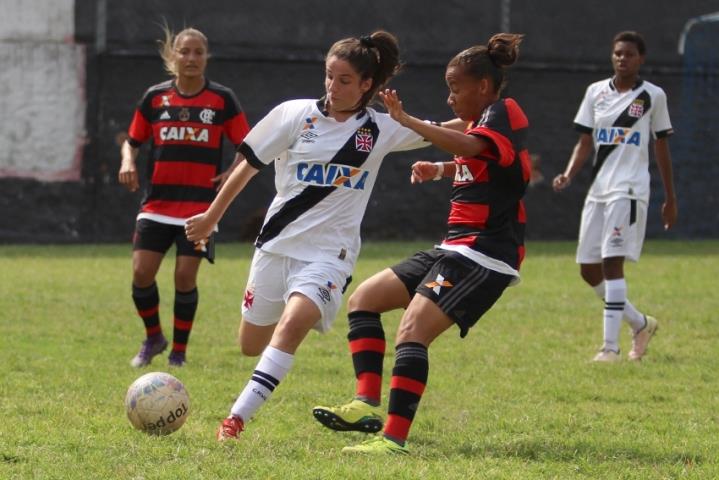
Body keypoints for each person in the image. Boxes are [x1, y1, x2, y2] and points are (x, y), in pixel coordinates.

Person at [184, 30, 435, 441]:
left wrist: (489, 114)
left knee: (292, 327)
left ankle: (235, 420)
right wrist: (212, 217)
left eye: (344, 80)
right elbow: (246, 165)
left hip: (328, 257)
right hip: (276, 248)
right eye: (329, 76)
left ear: (367, 84)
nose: (332, 87)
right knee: (250, 344)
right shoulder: (294, 115)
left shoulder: (381, 129)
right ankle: (275, 333)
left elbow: (447, 129)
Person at [312, 33, 529, 455]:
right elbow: (479, 163)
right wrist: (440, 170)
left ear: (483, 86)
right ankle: (364, 404)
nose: (449, 98)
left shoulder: (504, 111)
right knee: (365, 300)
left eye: (455, 88)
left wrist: (409, 121)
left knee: (412, 331)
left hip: (484, 254)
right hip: (455, 246)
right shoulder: (482, 121)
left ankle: (393, 439)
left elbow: (473, 146)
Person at [119, 26, 250, 368]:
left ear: (206, 58)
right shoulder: (155, 98)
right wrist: (127, 160)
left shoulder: (222, 99)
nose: (191, 58)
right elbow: (132, 141)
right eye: (185, 51)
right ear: (173, 55)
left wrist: (233, 170)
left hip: (199, 208)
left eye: (198, 52)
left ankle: (178, 351)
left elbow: (248, 146)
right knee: (141, 272)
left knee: (184, 277)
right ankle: (153, 338)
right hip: (157, 205)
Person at [552, 31, 677, 363]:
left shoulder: (652, 96)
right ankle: (640, 323)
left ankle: (610, 348)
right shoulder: (595, 92)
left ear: (641, 59)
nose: (623, 58)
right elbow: (585, 143)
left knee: (611, 264)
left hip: (630, 190)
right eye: (618, 53)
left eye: (630, 54)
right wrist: (569, 174)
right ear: (612, 56)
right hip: (599, 190)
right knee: (587, 269)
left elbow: (661, 147)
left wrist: (670, 197)